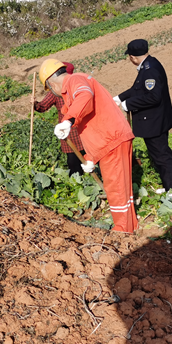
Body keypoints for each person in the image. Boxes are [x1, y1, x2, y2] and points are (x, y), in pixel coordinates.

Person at [40, 58, 138, 233]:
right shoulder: (75, 83)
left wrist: (69, 120)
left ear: (51, 84)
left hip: (111, 140)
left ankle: (122, 230)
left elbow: (85, 97)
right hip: (111, 139)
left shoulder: (74, 81)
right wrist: (90, 158)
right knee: (121, 186)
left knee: (115, 188)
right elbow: (90, 123)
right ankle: (130, 225)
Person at [116, 39, 172, 195]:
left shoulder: (150, 70)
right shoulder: (150, 64)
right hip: (157, 120)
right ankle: (170, 186)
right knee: (159, 154)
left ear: (132, 57)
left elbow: (153, 97)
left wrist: (128, 104)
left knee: (162, 156)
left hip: (154, 122)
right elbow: (137, 88)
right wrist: (119, 98)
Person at [32, 62, 86, 177]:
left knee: (90, 157)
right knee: (73, 162)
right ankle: (77, 182)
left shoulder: (78, 87)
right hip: (68, 131)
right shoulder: (55, 93)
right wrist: (35, 104)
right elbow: (43, 106)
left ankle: (94, 178)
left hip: (84, 128)